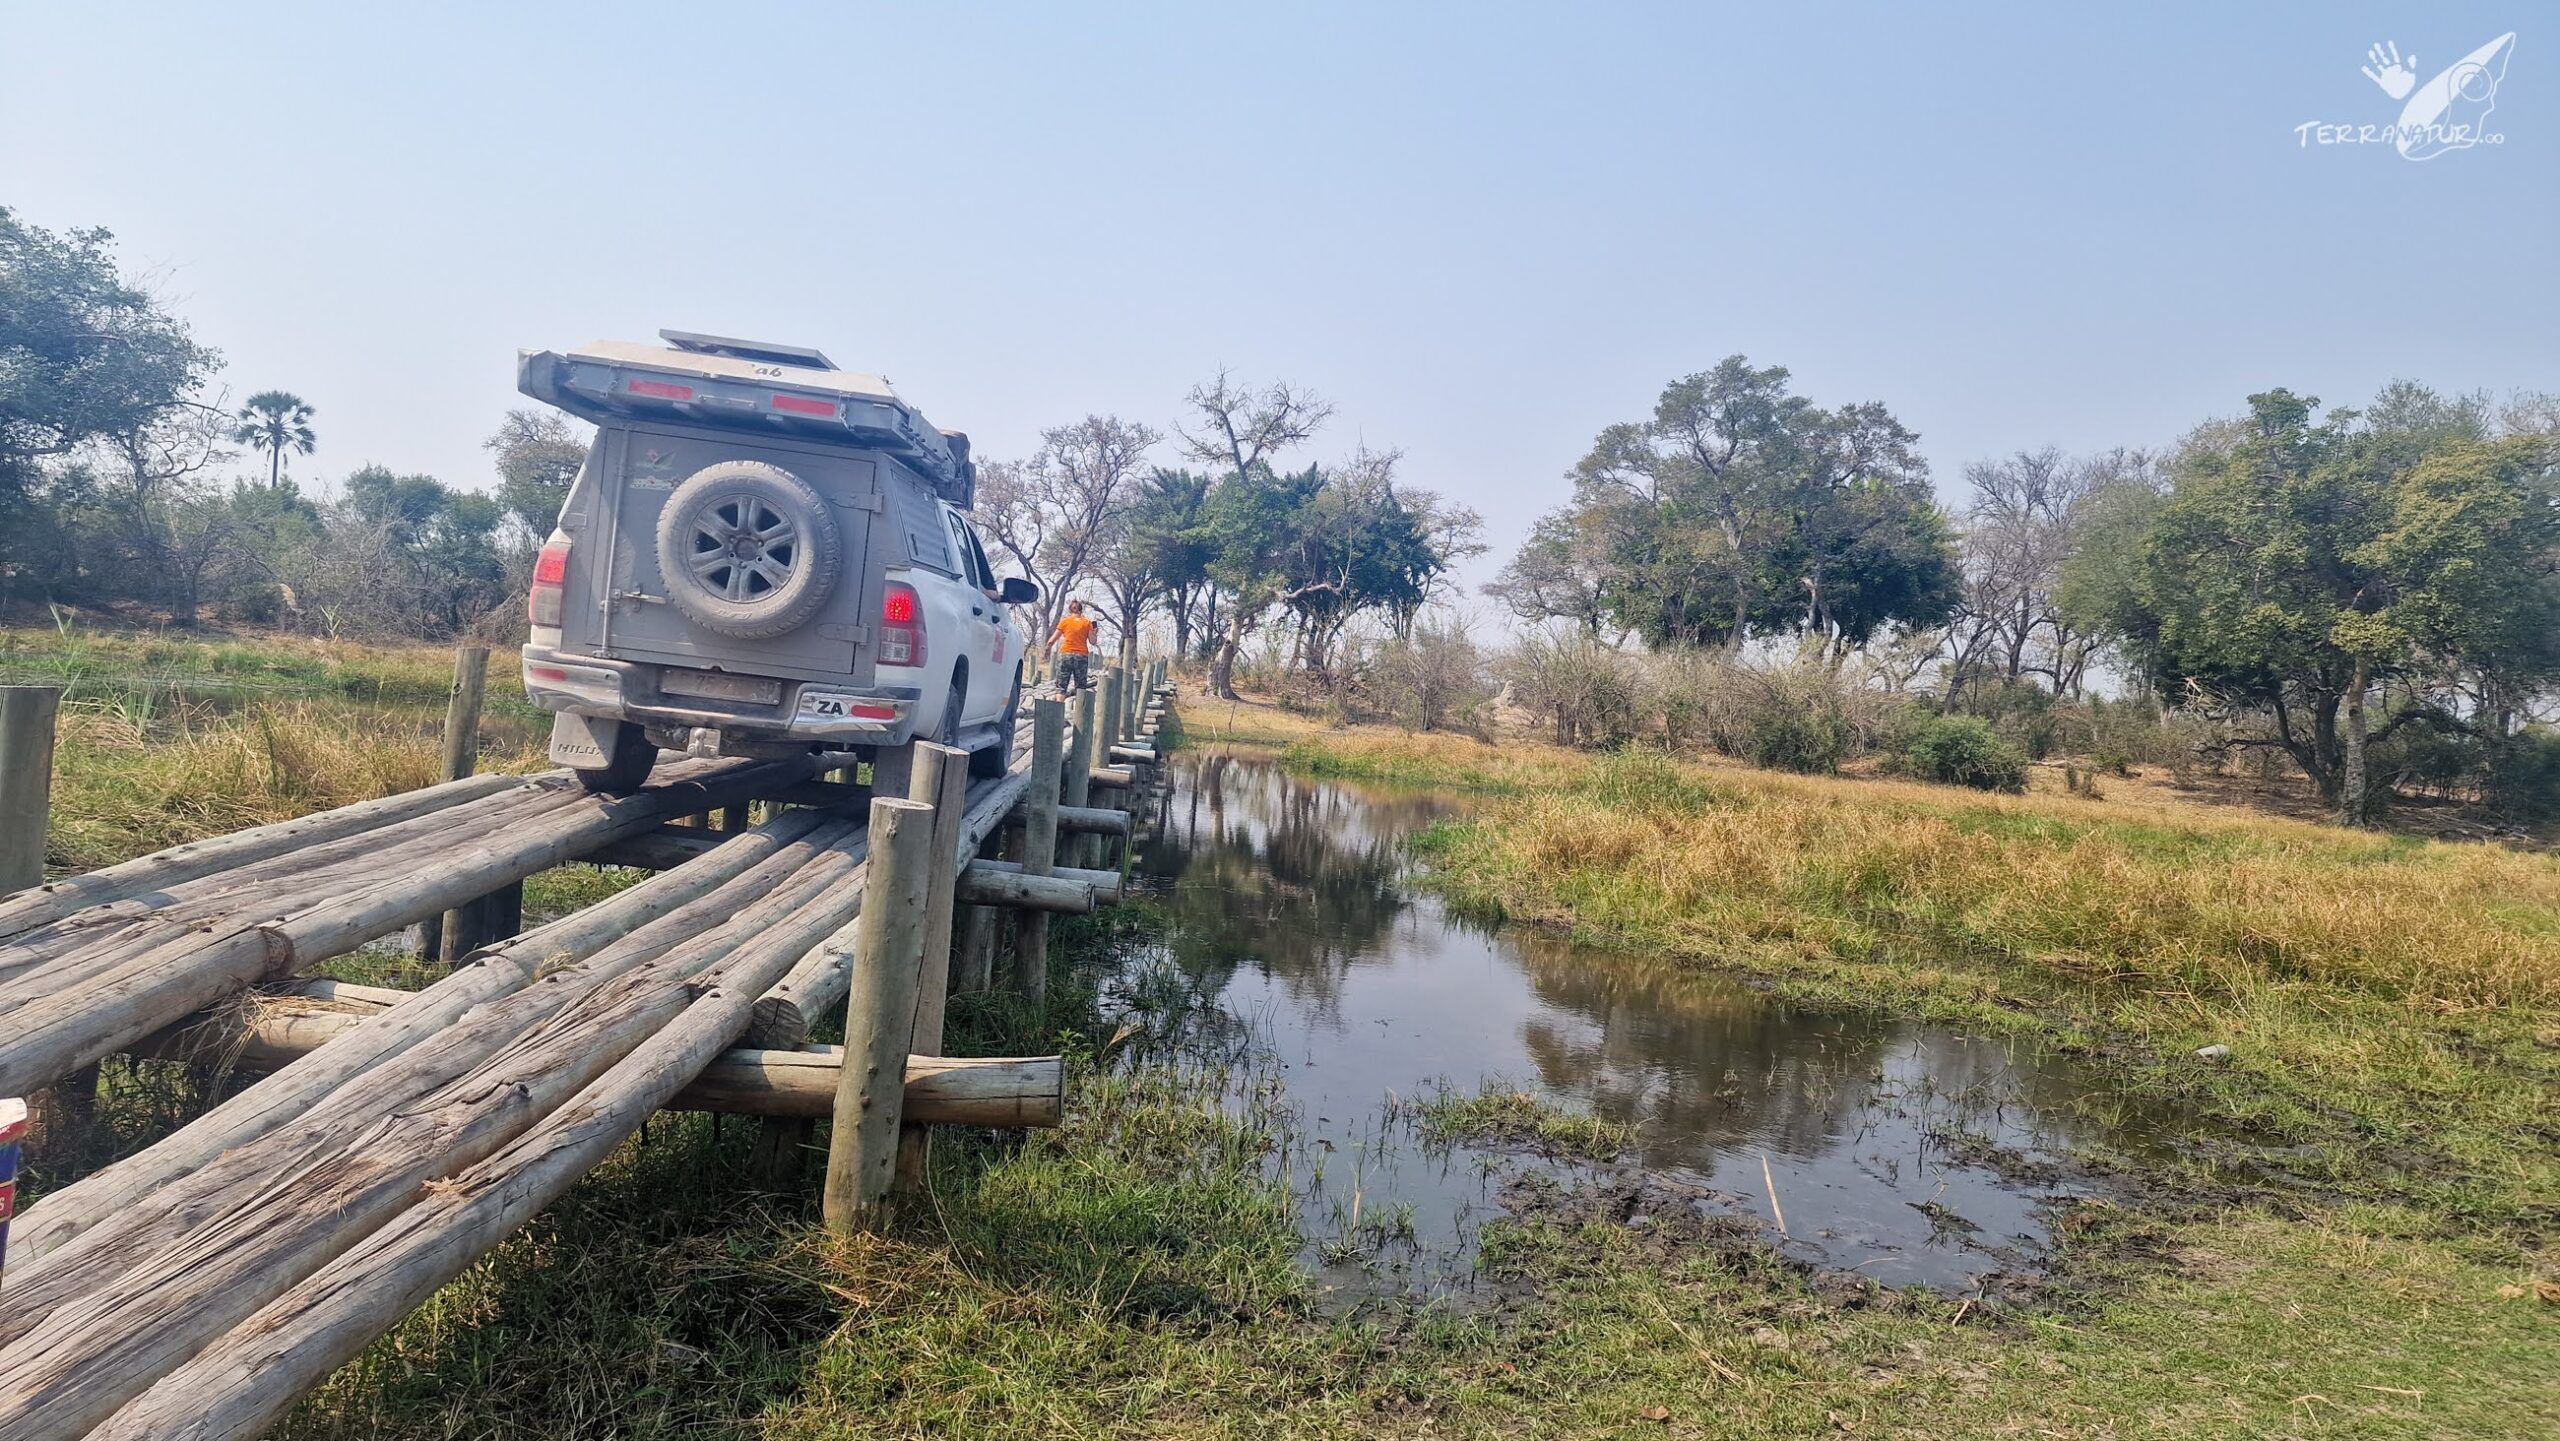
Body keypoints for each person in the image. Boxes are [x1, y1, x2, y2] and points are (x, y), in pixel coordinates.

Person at [1047, 600, 1107, 692]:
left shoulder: (1064, 621)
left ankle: (1059, 703)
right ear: (1081, 610)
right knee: (1080, 687)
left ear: (1070, 610)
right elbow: (1093, 641)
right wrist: (1094, 633)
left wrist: (1047, 650)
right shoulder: (1087, 623)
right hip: (1081, 655)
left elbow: (1051, 641)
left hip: (1065, 654)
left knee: (1061, 687)